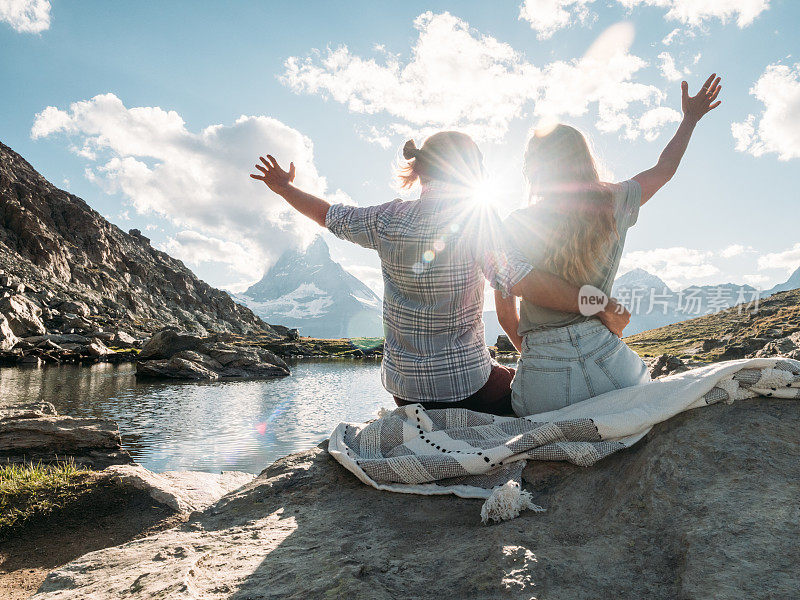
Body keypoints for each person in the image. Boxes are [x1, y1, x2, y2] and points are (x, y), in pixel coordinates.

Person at [250, 131, 630, 416]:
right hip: (465, 385)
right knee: (530, 398)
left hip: (402, 388)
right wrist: (598, 303)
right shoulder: (475, 221)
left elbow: (329, 215)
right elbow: (523, 281)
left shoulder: (385, 218)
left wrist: (285, 188)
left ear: (419, 172)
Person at [496, 74, 723, 417]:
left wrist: (534, 352)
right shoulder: (615, 202)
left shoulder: (514, 225)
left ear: (533, 167)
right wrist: (689, 119)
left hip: (543, 375)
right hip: (611, 365)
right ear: (583, 158)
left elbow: (504, 313)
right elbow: (665, 168)